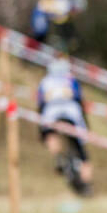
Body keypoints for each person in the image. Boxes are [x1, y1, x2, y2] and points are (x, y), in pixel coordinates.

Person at [37, 58, 93, 195]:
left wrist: (41, 131)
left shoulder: (45, 81)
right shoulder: (71, 79)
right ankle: (87, 185)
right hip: (72, 114)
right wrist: (86, 126)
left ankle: (58, 157)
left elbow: (40, 104)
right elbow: (79, 100)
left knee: (50, 135)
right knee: (83, 153)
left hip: (51, 113)